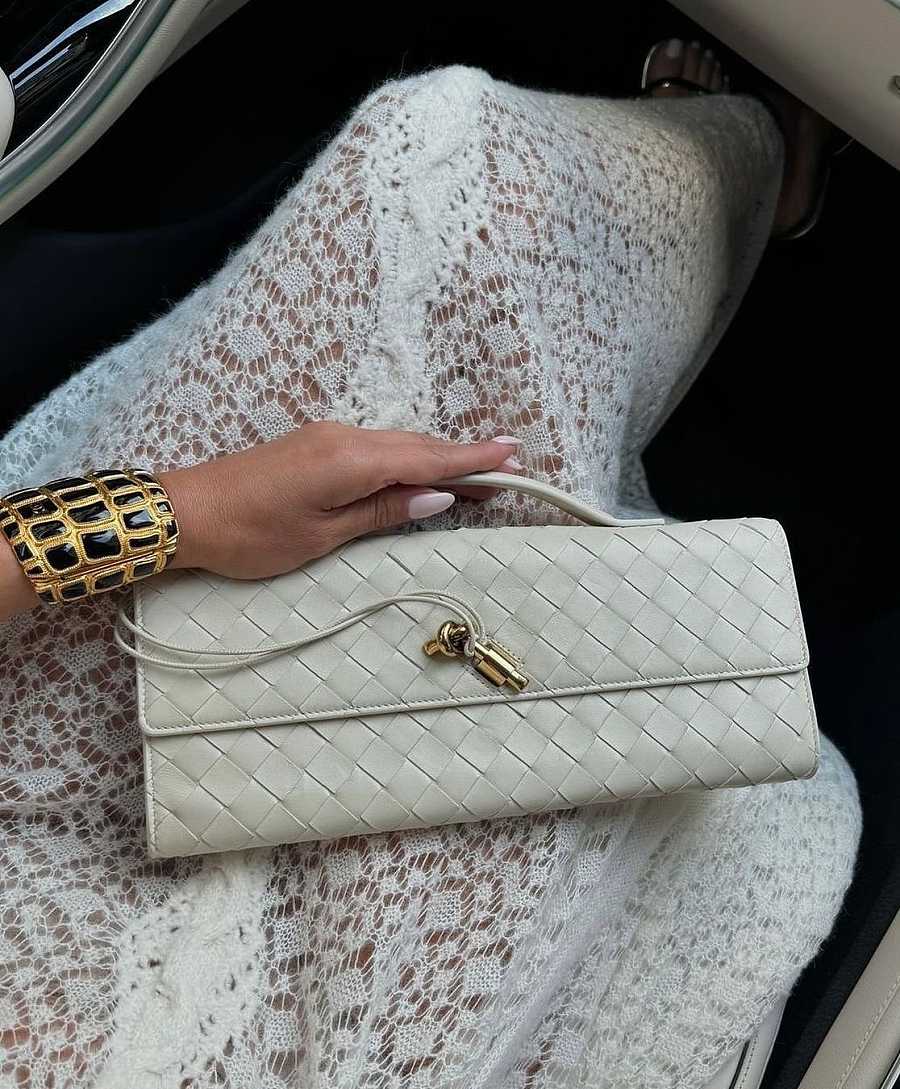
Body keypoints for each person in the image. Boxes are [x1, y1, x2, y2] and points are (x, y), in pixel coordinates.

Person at [0, 41, 859, 1089]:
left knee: (443, 163)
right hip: (252, 998)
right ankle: (754, 157)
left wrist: (179, 513)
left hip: (45, 656)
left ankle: (747, 166)